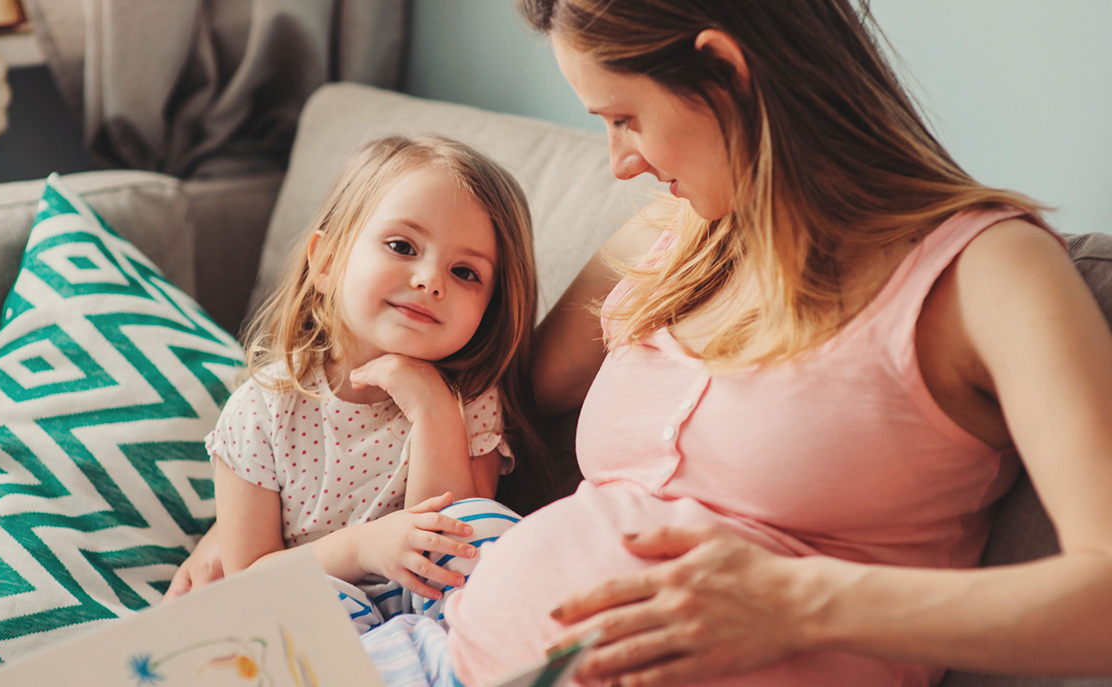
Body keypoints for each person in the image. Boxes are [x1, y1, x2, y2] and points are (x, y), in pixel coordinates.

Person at [171, 1, 1112, 686]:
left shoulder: (989, 274)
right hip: (434, 650)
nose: (617, 161)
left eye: (622, 117)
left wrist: (798, 603)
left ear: (726, 71)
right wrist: (253, 521)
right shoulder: (670, 235)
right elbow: (484, 389)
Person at [204, 134, 537, 631]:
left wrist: (432, 410)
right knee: (304, 607)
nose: (430, 280)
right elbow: (249, 579)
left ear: (489, 310)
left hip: (434, 611)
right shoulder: (261, 410)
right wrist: (364, 548)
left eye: (465, 271)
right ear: (328, 262)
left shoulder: (469, 399)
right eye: (402, 246)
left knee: (489, 527)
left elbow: (455, 541)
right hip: (323, 614)